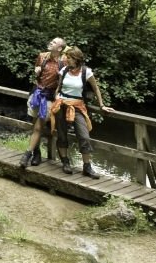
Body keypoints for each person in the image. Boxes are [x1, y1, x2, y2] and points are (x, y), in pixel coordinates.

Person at [51, 45, 115, 178]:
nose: (66, 59)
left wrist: (102, 105)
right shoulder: (64, 70)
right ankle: (65, 162)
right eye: (67, 57)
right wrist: (56, 97)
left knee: (84, 136)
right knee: (62, 135)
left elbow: (96, 89)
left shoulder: (86, 72)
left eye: (69, 57)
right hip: (61, 105)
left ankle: (87, 166)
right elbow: (59, 87)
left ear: (76, 58)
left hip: (77, 107)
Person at [21, 37, 65, 169]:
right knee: (35, 125)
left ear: (59, 48)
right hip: (37, 94)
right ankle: (37, 153)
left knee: (38, 127)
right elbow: (38, 74)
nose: (51, 42)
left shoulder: (64, 61)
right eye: (51, 41)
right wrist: (36, 71)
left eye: (54, 42)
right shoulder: (42, 56)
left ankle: (27, 155)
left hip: (49, 97)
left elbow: (64, 81)